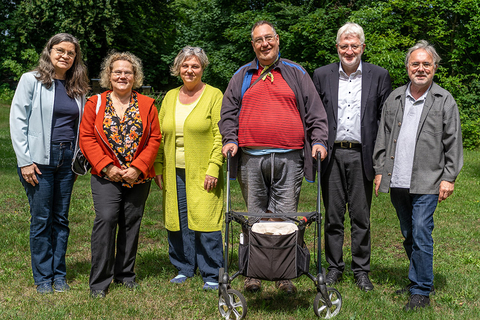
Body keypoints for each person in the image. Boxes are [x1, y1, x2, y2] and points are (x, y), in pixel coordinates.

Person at [219, 20, 328, 294]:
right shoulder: (242, 75)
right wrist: (230, 139)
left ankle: (284, 275)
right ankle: (253, 274)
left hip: (289, 158)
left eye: (269, 38)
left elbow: (315, 111)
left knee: (284, 218)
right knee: (253, 217)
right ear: (252, 44)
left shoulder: (296, 72)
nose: (264, 44)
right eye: (258, 40)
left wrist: (319, 140)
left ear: (277, 40)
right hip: (250, 158)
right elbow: (228, 112)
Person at [373, 40, 463, 310]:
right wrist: (379, 170)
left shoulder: (444, 99)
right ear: (407, 67)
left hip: (428, 180)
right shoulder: (396, 98)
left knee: (422, 231)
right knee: (408, 233)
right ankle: (419, 278)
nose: (421, 69)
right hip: (397, 180)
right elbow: (383, 136)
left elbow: (453, 141)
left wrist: (449, 176)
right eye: (416, 64)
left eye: (426, 64)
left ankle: (421, 290)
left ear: (434, 67)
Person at [312, 22, 392, 291]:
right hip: (331, 155)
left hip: (362, 155)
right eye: (344, 45)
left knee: (361, 217)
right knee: (333, 217)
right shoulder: (321, 75)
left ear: (362, 47)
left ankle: (361, 270)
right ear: (337, 47)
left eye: (354, 45)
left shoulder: (379, 75)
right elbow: (314, 117)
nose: (349, 50)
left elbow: (384, 122)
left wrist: (381, 162)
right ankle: (334, 267)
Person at [9, 33, 89, 294]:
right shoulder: (31, 80)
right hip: (39, 160)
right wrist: (25, 162)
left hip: (67, 160)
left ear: (75, 58)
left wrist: (77, 162)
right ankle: (43, 277)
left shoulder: (77, 87)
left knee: (61, 219)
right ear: (49, 51)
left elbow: (81, 127)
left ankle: (59, 275)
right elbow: (17, 121)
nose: (65, 55)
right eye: (60, 50)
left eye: (71, 52)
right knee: (42, 219)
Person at [79, 52, 161, 298]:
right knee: (105, 220)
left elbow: (155, 138)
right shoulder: (95, 103)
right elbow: (87, 137)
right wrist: (107, 167)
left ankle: (125, 275)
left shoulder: (147, 104)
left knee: (131, 223)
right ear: (109, 75)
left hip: (138, 176)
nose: (122, 76)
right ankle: (99, 282)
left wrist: (138, 167)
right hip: (106, 175)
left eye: (128, 72)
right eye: (118, 72)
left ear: (135, 77)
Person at [154, 46, 224, 291]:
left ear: (202, 68)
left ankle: (212, 272)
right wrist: (159, 166)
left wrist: (214, 167)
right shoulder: (170, 97)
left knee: (206, 220)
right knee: (178, 220)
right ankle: (184, 267)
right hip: (175, 171)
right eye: (185, 66)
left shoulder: (214, 95)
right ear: (178, 69)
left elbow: (220, 135)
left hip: (204, 170)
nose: (190, 70)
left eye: (195, 65)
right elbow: (160, 135)